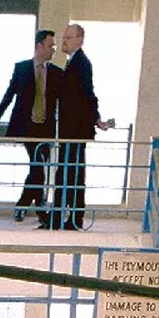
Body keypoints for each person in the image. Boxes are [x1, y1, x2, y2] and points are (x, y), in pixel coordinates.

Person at [41, 23, 109, 231]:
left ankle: (72, 219)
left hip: (75, 132)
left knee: (72, 175)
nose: (64, 41)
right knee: (67, 175)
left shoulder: (81, 63)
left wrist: (95, 118)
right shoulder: (74, 62)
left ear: (80, 39)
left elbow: (88, 95)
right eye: (64, 37)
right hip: (70, 132)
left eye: (69, 37)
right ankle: (63, 218)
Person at [0, 30, 62, 221]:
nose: (53, 50)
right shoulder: (22, 68)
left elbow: (64, 102)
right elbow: (9, 94)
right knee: (38, 167)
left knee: (38, 168)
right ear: (39, 46)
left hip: (46, 128)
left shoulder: (56, 73)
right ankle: (38, 209)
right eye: (50, 46)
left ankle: (24, 205)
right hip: (28, 127)